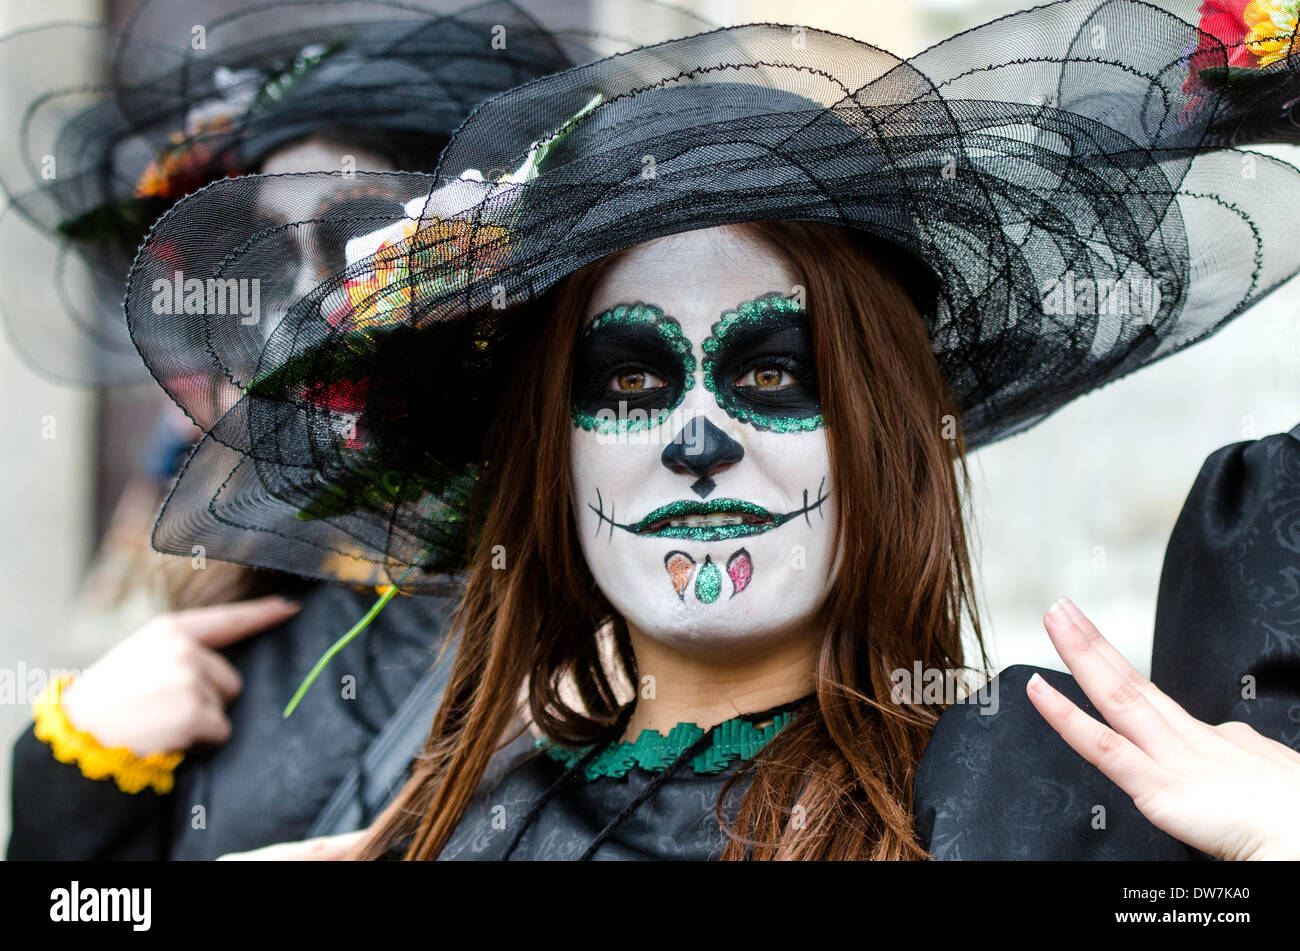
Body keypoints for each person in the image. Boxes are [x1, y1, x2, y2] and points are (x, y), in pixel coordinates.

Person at [122, 2, 1300, 859]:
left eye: (776, 371)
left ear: (883, 437)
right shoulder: (460, 829)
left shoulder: (1030, 782)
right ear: (551, 453)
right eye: (628, 382)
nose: (699, 442)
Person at [3, 0, 712, 860]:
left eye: (355, 237)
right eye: (270, 253)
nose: (294, 314)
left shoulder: (672, 646)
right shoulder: (250, 602)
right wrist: (72, 776)